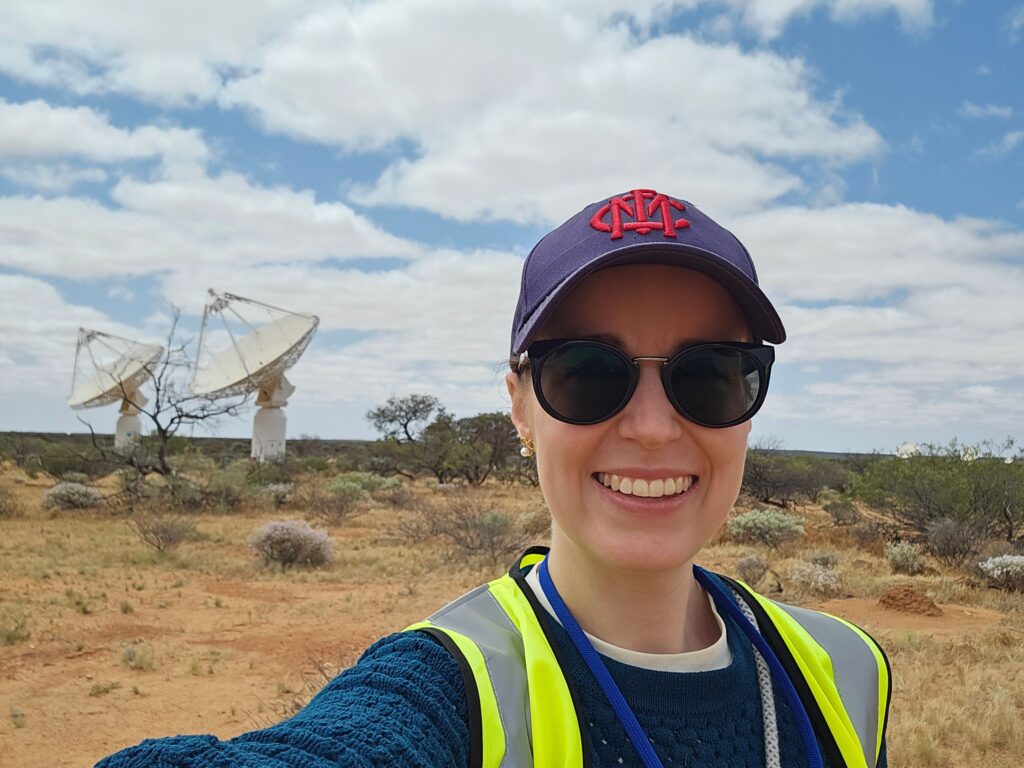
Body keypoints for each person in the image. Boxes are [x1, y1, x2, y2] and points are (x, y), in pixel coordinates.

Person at [97, 189, 890, 768]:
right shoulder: (450, 687)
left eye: (710, 374)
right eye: (586, 372)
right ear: (519, 407)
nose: (652, 427)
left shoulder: (847, 667)